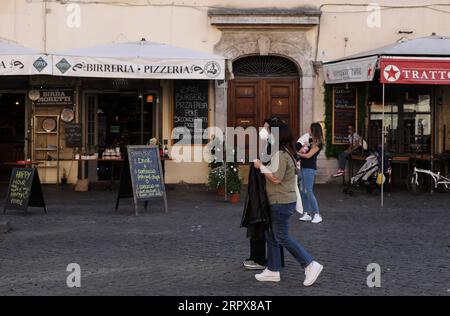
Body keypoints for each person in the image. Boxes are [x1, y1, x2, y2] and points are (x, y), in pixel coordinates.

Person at [253, 122, 323, 287]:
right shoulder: (285, 153)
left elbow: (276, 178)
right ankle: (273, 270)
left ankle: (310, 264)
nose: (268, 135)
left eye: (270, 133)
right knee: (272, 234)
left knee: (281, 236)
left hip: (281, 202)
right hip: (280, 201)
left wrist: (261, 166)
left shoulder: (282, 155)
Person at [242, 117, 284, 270]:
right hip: (260, 192)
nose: (262, 130)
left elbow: (272, 172)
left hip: (264, 194)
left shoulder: (274, 148)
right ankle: (269, 259)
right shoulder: (269, 146)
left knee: (263, 226)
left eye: (266, 127)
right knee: (268, 228)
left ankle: (261, 260)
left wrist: (258, 165)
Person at [298, 123, 324, 224]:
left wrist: (296, 153)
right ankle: (307, 213)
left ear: (314, 130)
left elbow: (308, 155)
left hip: (310, 169)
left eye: (310, 128)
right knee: (302, 190)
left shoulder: (319, 143)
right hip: (303, 167)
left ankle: (317, 214)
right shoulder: (310, 140)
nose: (308, 129)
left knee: (308, 191)